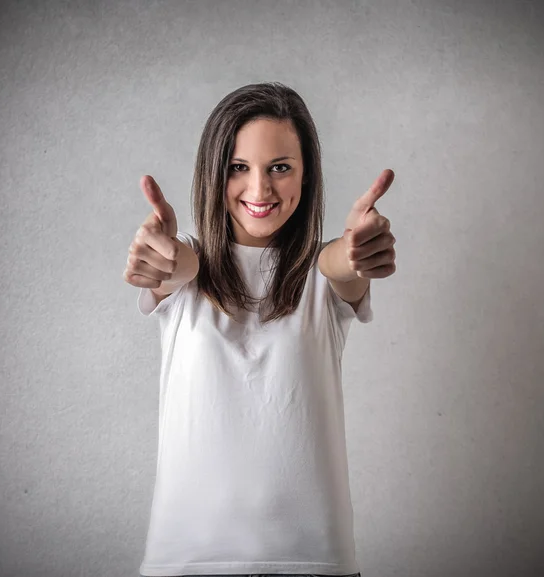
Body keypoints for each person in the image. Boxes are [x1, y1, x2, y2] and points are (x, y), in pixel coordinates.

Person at [123, 82, 396, 577]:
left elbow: (341, 264)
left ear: (306, 174)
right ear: (214, 173)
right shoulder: (188, 263)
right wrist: (157, 260)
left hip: (315, 560)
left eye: (280, 168)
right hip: (186, 559)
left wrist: (359, 248)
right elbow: (179, 264)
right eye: (238, 168)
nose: (259, 190)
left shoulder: (323, 272)